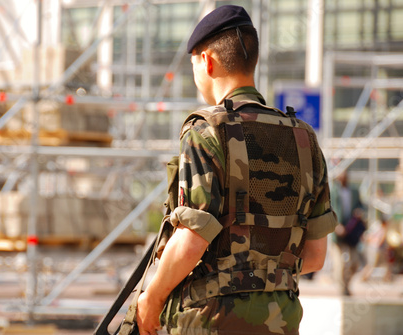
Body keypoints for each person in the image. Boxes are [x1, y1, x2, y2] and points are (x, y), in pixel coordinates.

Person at [136, 5, 337, 335]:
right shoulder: (304, 137)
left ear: (208, 62)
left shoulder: (206, 132)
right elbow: (315, 256)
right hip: (281, 322)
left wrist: (152, 300)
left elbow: (192, 240)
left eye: (194, 65)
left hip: (210, 322)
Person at [330, 171, 366, 296]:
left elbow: (361, 206)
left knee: (355, 262)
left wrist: (359, 212)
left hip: (351, 233)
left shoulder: (354, 192)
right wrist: (336, 225)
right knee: (339, 263)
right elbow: (329, 209)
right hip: (337, 233)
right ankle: (342, 288)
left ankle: (347, 283)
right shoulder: (332, 192)